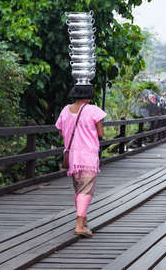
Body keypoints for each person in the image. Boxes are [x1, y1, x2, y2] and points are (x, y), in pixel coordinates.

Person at [55, 85, 107, 237]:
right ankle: (79, 225)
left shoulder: (66, 110)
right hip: (88, 156)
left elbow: (60, 130)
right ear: (89, 96)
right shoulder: (93, 110)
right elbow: (101, 133)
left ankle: (83, 220)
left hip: (72, 156)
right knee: (86, 190)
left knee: (79, 189)